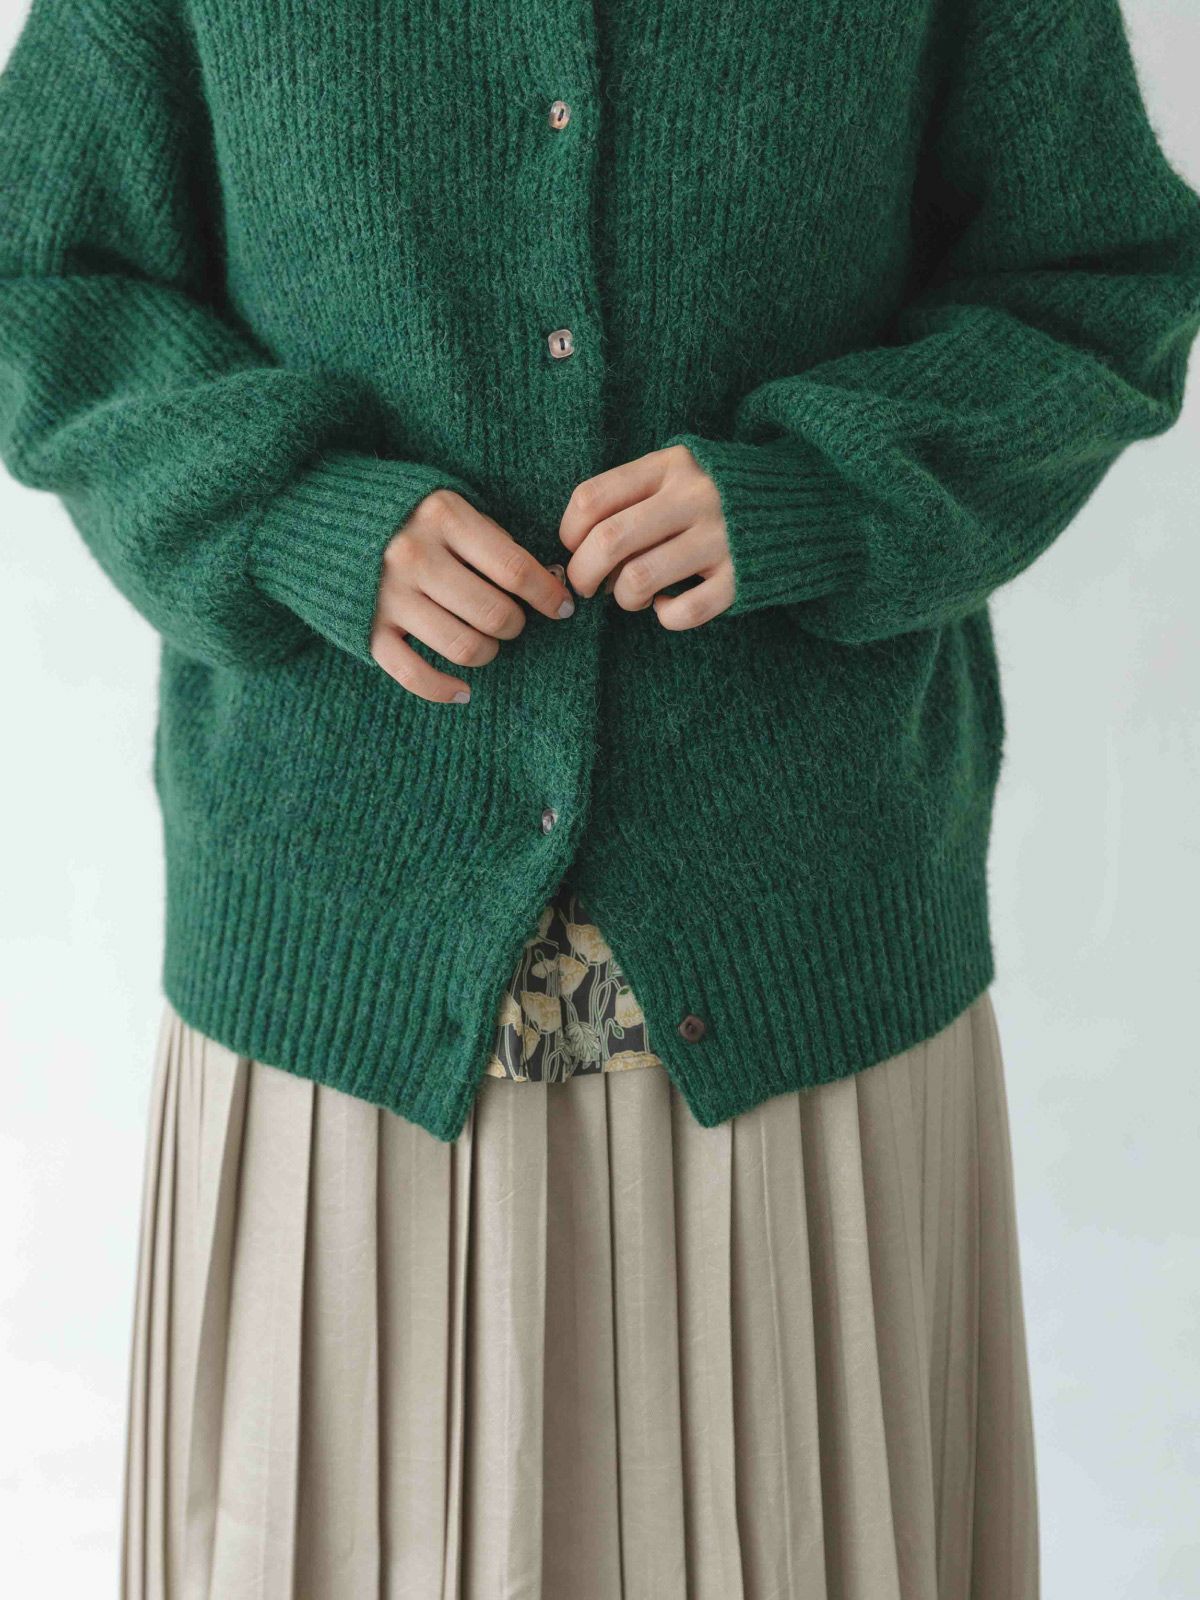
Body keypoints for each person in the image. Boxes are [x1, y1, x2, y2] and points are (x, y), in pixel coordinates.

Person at [2, 0, 1198, 1594]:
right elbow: (41, 270)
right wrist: (286, 508)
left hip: (804, 990)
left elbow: (1099, 272)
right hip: (342, 989)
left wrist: (824, 490)